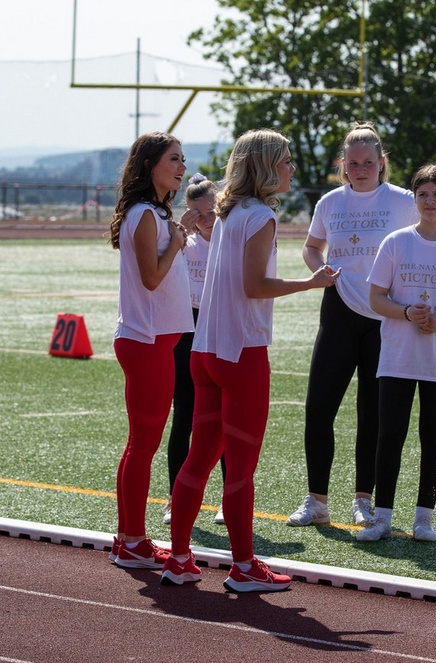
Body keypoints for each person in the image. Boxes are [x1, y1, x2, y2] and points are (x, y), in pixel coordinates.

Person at [161, 129, 340, 592]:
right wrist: (310, 283)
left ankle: (179, 557)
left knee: (198, 460)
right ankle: (243, 567)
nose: (291, 169)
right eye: (285, 160)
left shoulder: (228, 212)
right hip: (241, 353)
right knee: (240, 467)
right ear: (265, 165)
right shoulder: (260, 216)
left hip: (206, 350)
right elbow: (255, 285)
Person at [288, 123, 420, 528]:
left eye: (368, 163)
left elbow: (434, 237)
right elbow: (312, 247)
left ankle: (364, 499)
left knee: (372, 414)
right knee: (318, 408)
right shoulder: (330, 202)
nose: (361, 169)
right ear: (343, 165)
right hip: (339, 311)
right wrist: (320, 270)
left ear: (382, 163)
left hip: (387, 317)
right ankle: (316, 499)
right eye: (353, 163)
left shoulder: (404, 201)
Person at [357, 164, 436, 543]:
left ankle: (424, 518)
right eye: (423, 194)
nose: (430, 201)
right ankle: (382, 517)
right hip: (397, 357)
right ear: (414, 199)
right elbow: (376, 298)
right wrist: (407, 313)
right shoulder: (396, 242)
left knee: (434, 437)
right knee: (390, 435)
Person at [108, 132, 193, 569]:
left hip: (154, 340)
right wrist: (177, 243)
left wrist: (178, 236)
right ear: (148, 165)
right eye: (172, 159)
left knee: (141, 444)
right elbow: (151, 279)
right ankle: (133, 541)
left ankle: (129, 539)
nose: (180, 166)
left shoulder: (154, 214)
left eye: (182, 159)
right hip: (146, 342)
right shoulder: (144, 215)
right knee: (143, 445)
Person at [163, 173, 225, 526]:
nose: (206, 220)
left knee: (225, 418)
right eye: (198, 213)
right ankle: (175, 497)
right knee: (183, 415)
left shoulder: (230, 239)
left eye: (212, 211)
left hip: (219, 327)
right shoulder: (182, 242)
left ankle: (227, 500)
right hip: (187, 328)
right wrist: (178, 234)